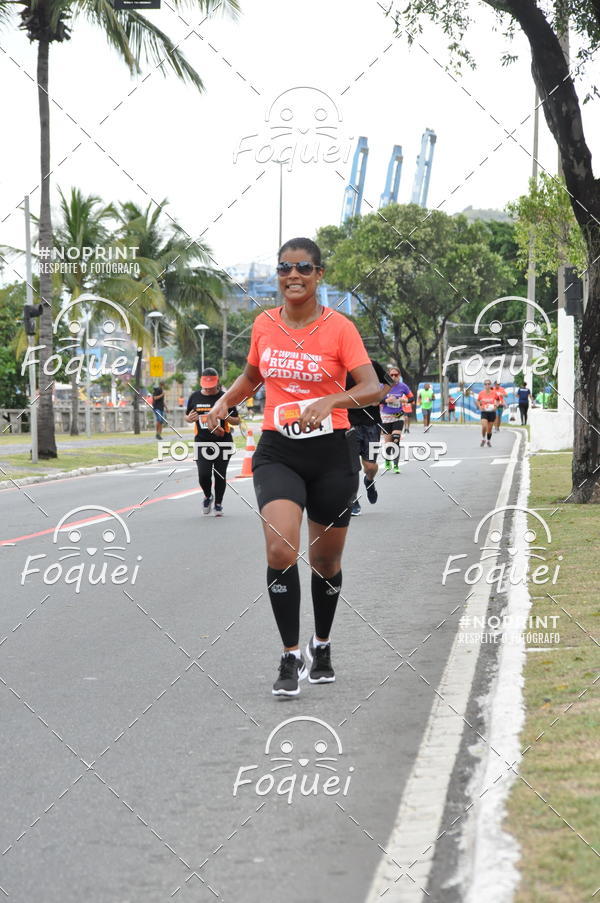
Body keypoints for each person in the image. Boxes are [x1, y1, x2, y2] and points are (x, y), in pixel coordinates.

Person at [206, 237, 379, 696]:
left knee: (325, 560)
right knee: (281, 550)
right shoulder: (264, 324)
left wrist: (330, 400)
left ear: (319, 274)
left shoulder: (340, 328)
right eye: (285, 268)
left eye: (303, 267)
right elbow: (251, 377)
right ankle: (289, 656)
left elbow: (372, 387)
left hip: (332, 455)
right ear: (279, 276)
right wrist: (222, 404)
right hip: (278, 450)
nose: (293, 276)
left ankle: (321, 645)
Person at [186, 368, 240, 515]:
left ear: (217, 382)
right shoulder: (194, 397)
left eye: (212, 387)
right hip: (202, 442)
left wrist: (226, 417)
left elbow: (237, 420)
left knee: (220, 474)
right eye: (206, 386)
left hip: (223, 442)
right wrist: (189, 419)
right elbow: (187, 416)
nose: (209, 390)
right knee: (203, 474)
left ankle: (218, 504)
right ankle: (208, 496)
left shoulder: (225, 398)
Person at [346, 359, 393, 516]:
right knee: (350, 467)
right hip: (347, 423)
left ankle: (369, 481)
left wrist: (380, 396)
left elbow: (389, 381)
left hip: (371, 423)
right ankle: (352, 499)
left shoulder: (371, 365)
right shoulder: (337, 367)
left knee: (370, 467)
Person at [380, 368, 413, 473]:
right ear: (388, 376)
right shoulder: (383, 386)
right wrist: (386, 401)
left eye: (396, 375)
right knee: (388, 443)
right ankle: (387, 461)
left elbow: (412, 398)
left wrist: (406, 400)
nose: (394, 377)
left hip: (398, 416)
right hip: (385, 416)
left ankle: (396, 465)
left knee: (396, 439)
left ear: (399, 376)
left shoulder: (403, 386)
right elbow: (376, 399)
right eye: (391, 375)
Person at [476, 379, 500, 447]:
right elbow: (478, 401)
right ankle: (483, 439)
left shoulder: (494, 393)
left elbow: (498, 400)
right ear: (484, 385)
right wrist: (480, 406)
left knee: (489, 430)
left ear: (490, 385)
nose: (487, 385)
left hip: (492, 412)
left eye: (488, 384)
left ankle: (488, 441)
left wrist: (496, 406)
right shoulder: (481, 393)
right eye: (486, 384)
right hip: (484, 412)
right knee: (484, 426)